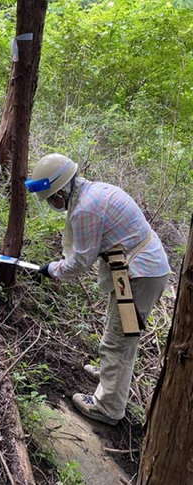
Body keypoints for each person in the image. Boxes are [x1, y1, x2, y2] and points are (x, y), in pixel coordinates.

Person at [25, 153, 170, 426]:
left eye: (52, 198)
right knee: (116, 332)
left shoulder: (86, 209)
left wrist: (51, 269)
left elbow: (80, 262)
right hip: (135, 269)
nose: (53, 204)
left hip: (139, 275)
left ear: (62, 190)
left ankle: (108, 407)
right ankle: (109, 376)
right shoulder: (94, 192)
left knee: (119, 341)